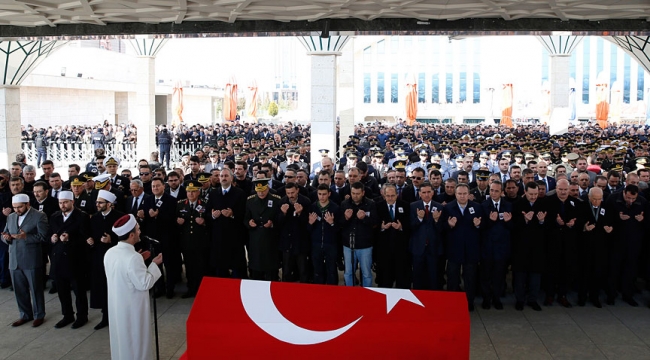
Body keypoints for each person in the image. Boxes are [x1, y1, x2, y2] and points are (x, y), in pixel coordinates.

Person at [104, 214, 163, 360]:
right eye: (138, 229)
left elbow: (123, 272)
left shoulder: (110, 252)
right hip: (133, 310)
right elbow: (145, 283)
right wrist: (154, 264)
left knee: (121, 341)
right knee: (137, 343)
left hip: (117, 307)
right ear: (131, 235)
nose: (140, 232)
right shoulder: (133, 257)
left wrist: (139, 261)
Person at [2, 193, 49, 327]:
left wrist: (26, 237)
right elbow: (6, 233)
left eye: (20, 207)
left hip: (31, 259)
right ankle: (25, 314)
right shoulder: (11, 217)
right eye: (14, 207)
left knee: (35, 289)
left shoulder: (39, 216)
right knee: (19, 290)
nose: (16, 210)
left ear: (28, 204)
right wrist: (6, 238)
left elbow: (43, 237)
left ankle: (39, 315)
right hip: (14, 259)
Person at [49, 191, 90, 329]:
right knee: (62, 291)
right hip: (59, 258)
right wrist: (53, 238)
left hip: (75, 259)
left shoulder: (81, 216)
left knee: (79, 291)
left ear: (72, 202)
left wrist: (70, 238)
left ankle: (82, 316)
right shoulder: (55, 216)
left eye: (65, 202)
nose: (63, 205)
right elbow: (51, 233)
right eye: (60, 203)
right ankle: (67, 315)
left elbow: (85, 237)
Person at [442, 183, 483, 311]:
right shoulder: (448, 208)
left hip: (471, 249)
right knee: (452, 278)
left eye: (465, 194)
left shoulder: (477, 207)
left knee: (470, 278)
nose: (462, 196)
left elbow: (483, 227)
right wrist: (449, 225)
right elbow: (441, 228)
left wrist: (478, 225)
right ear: (455, 194)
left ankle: (469, 302)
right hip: (454, 249)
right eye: (459, 194)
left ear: (469, 194)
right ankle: (451, 302)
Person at [88, 190, 123, 330]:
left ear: (109, 204)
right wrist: (91, 240)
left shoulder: (119, 217)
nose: (97, 205)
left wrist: (111, 240)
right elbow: (92, 233)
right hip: (99, 257)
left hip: (115, 257)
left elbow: (126, 236)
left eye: (100, 202)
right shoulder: (95, 218)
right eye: (97, 202)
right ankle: (105, 316)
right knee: (102, 287)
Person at [512, 182, 547, 311]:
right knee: (520, 276)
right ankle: (520, 300)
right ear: (525, 192)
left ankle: (533, 299)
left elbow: (548, 228)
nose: (533, 197)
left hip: (537, 247)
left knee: (535, 276)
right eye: (531, 194)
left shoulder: (543, 204)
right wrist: (525, 220)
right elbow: (513, 225)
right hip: (521, 247)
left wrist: (542, 221)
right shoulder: (517, 205)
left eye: (536, 194)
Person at [480, 181, 512, 310]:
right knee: (486, 275)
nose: (493, 193)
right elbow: (480, 227)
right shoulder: (483, 206)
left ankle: (497, 298)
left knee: (499, 275)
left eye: (496, 191)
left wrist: (508, 222)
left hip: (501, 247)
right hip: (487, 247)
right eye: (491, 190)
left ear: (502, 192)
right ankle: (486, 299)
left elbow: (512, 228)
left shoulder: (508, 206)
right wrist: (490, 221)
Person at [339, 181, 378, 287]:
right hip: (348, 244)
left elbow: (375, 223)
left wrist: (364, 218)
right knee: (348, 273)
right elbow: (339, 224)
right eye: (353, 193)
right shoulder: (344, 204)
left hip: (365, 245)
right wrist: (346, 218)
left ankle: (367, 295)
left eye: (358, 193)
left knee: (366, 273)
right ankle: (349, 295)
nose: (355, 196)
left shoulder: (370, 204)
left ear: (363, 193)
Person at [176, 180, 210, 298]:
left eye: (193, 191)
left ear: (198, 191)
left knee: (201, 267)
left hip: (201, 241)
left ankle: (202, 290)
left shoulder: (205, 203)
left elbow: (211, 221)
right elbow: (174, 221)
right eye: (189, 191)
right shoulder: (180, 204)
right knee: (189, 268)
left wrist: (204, 222)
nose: (191, 194)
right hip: (186, 241)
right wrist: (177, 222)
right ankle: (191, 289)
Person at [245, 178, 282, 281]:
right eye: (258, 190)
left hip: (270, 237)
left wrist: (272, 223)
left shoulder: (276, 200)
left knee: (271, 266)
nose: (261, 193)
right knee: (257, 264)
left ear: (268, 188)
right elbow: (246, 217)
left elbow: (280, 218)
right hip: (256, 236)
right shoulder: (250, 200)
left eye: (263, 190)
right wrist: (249, 222)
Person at [375, 184, 411, 288]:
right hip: (384, 249)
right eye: (388, 196)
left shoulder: (405, 205)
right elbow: (374, 225)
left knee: (401, 278)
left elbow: (410, 225)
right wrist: (381, 227)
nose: (390, 198)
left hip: (401, 249)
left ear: (397, 195)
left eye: (392, 195)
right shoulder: (378, 206)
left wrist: (401, 227)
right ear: (384, 195)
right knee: (385, 279)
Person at [308, 184, 340, 285]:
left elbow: (339, 230)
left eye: (324, 194)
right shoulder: (312, 207)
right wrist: (310, 223)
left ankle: (333, 292)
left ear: (329, 194)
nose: (322, 197)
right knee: (317, 270)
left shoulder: (335, 208)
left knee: (331, 270)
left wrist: (332, 223)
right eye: (320, 194)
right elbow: (307, 230)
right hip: (316, 244)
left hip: (331, 244)